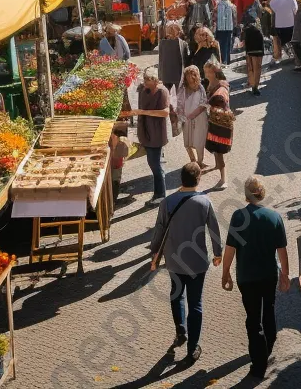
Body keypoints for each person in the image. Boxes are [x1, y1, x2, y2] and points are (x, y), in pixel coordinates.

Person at [150, 162, 222, 366]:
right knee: (196, 303)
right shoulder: (204, 202)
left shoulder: (167, 202)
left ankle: (180, 330)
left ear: (181, 179)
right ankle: (193, 348)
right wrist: (218, 253)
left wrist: (154, 254)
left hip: (174, 260)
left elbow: (159, 230)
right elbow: (214, 230)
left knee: (176, 293)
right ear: (198, 179)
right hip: (197, 261)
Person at [221, 176, 291, 380]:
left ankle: (258, 365)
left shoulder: (238, 217)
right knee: (268, 309)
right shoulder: (274, 217)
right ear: (262, 193)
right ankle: (269, 346)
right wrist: (284, 275)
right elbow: (282, 251)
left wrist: (225, 273)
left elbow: (230, 249)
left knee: (253, 319)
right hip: (268, 275)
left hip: (247, 277)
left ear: (246, 194)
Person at [122, 69, 170, 202]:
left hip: (156, 132)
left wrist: (143, 112)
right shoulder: (143, 89)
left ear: (155, 80)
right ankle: (159, 193)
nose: (145, 82)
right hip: (146, 130)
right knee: (153, 162)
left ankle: (160, 195)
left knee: (155, 164)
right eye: (144, 79)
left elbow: (165, 112)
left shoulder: (162, 92)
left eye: (147, 80)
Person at [203, 62, 233, 189]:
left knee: (219, 150)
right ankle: (216, 165)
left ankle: (223, 180)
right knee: (215, 148)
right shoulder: (211, 83)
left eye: (207, 71)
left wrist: (209, 103)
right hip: (213, 120)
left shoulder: (221, 86)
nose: (205, 73)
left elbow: (221, 99)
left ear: (214, 72)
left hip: (220, 123)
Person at [176, 66, 209, 166]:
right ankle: (193, 161)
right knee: (187, 142)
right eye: (188, 75)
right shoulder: (183, 89)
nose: (190, 77)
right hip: (187, 119)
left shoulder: (200, 87)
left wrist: (193, 115)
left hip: (200, 119)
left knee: (199, 141)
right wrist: (181, 117)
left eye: (193, 75)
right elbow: (179, 103)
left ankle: (200, 162)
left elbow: (204, 104)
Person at [269, 0, 300, 71]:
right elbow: (295, 9)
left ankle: (280, 57)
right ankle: (295, 61)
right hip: (288, 23)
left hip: (280, 24)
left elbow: (272, 7)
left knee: (283, 41)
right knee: (291, 42)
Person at [242, 10, 266, 96]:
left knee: (251, 67)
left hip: (251, 47)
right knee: (257, 68)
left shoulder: (246, 27)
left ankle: (252, 84)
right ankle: (255, 86)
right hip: (259, 46)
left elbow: (243, 42)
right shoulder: (259, 19)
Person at [215, 0, 236, 65]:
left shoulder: (220, 4)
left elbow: (220, 17)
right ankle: (227, 60)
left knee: (222, 44)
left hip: (222, 27)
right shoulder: (230, 4)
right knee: (227, 43)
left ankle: (224, 60)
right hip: (229, 27)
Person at [109, 121, 130, 199]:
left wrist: (114, 149)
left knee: (115, 177)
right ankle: (112, 200)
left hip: (115, 156)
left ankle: (113, 200)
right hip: (114, 152)